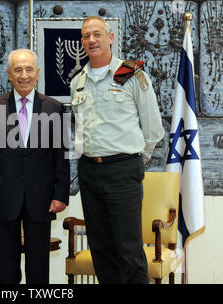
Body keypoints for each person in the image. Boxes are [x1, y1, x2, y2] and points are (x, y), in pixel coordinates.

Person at [70, 16, 164, 284]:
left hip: (123, 171)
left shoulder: (132, 75)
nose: (91, 40)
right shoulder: (78, 82)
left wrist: (134, 160)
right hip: (89, 171)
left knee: (128, 250)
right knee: (101, 251)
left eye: (97, 34)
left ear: (111, 38)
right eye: (86, 36)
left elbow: (153, 128)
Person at [0, 49, 70, 284]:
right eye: (18, 70)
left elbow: (62, 157)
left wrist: (61, 194)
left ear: (37, 72)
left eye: (29, 69)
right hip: (3, 197)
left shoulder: (55, 108)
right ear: (9, 74)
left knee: (38, 268)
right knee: (4, 268)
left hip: (41, 197)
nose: (24, 75)